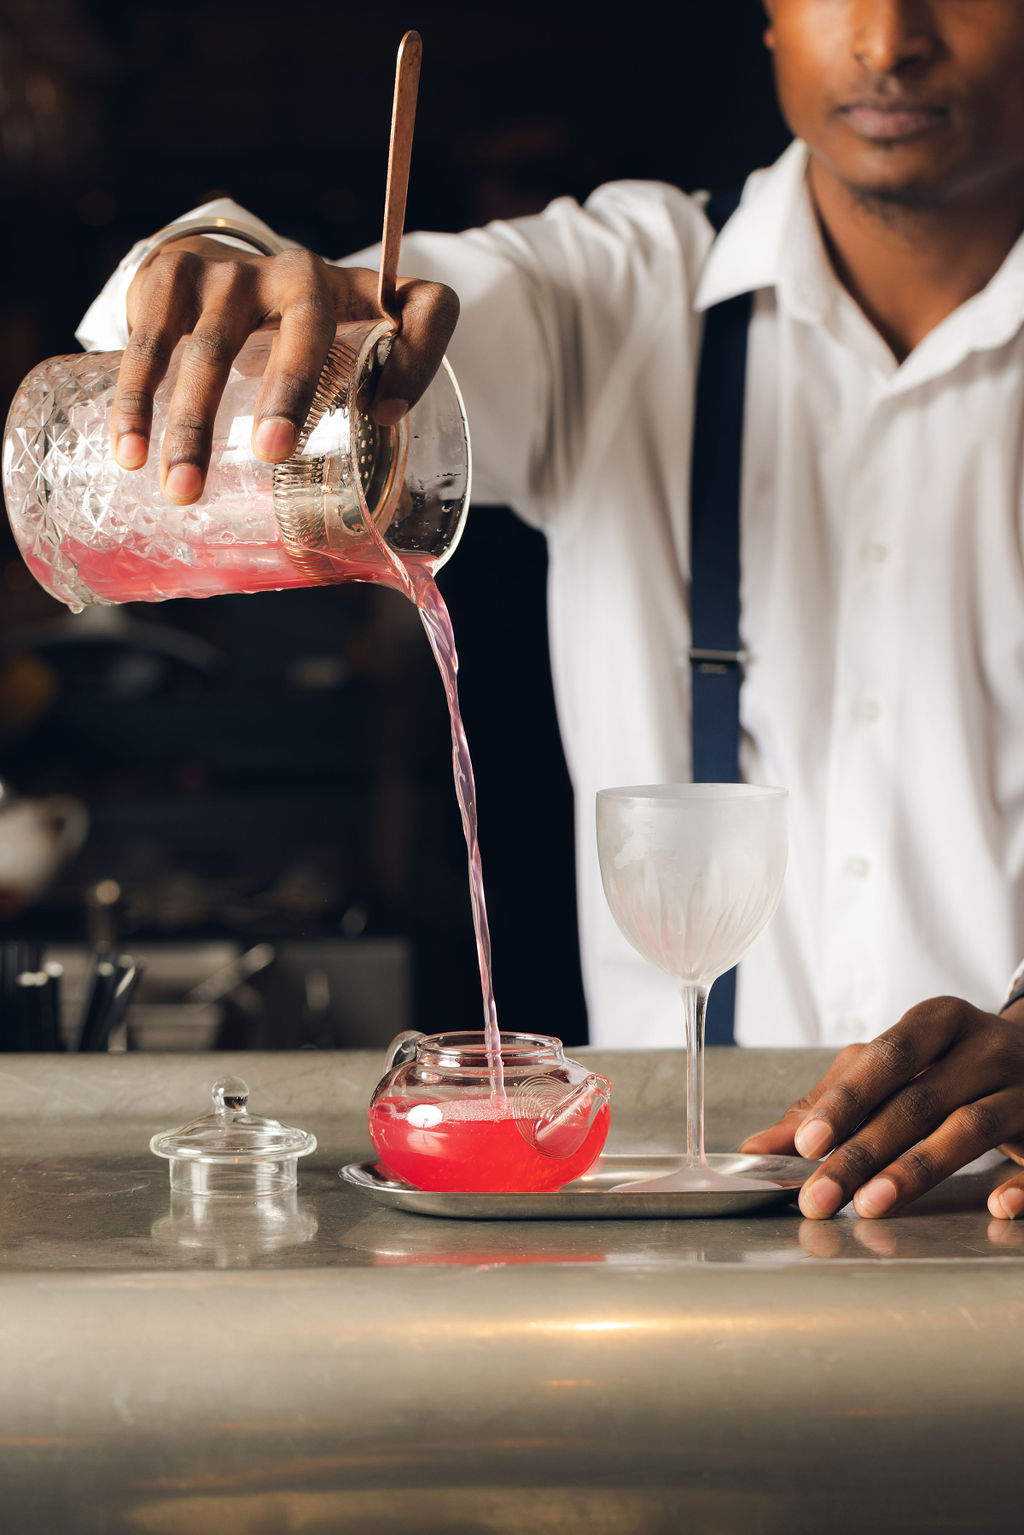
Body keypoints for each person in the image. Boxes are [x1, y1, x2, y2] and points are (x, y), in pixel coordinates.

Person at [77, 0, 1024, 1221]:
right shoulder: (618, 292)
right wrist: (226, 271)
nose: (888, 41)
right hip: (675, 1217)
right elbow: (364, 319)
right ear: (770, 15)